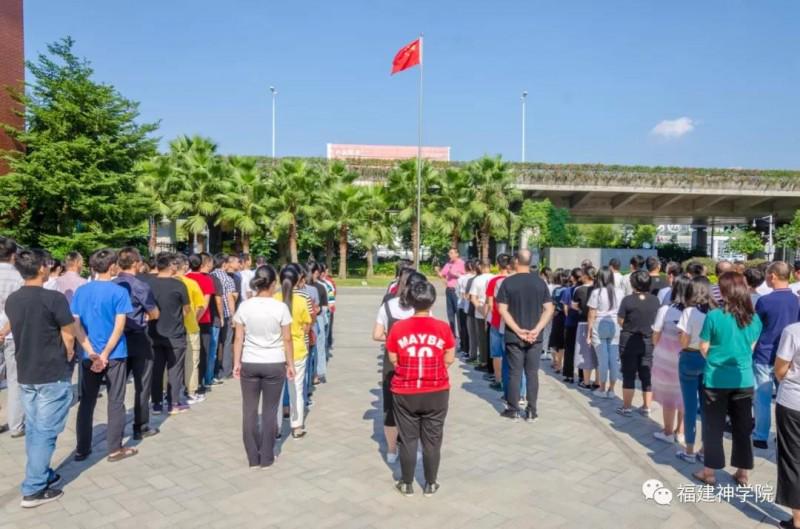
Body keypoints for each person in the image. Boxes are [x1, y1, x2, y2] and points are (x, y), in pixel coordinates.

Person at [3, 250, 82, 507]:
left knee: (36, 428)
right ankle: (34, 488)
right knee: (46, 431)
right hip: (51, 371)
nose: (49, 267)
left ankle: (42, 472)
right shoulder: (54, 298)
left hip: (27, 371)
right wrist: (69, 352)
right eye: (47, 264)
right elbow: (68, 332)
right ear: (40, 269)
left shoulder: (13, 300)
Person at [386, 279, 455, 497]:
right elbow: (450, 357)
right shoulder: (443, 327)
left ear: (410, 301)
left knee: (408, 439)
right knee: (432, 439)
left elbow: (393, 358)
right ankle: (431, 483)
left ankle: (406, 483)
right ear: (432, 301)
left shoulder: (398, 328)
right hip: (437, 390)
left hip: (405, 390)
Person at [693, 272, 762, 486]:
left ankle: (710, 472)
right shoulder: (754, 318)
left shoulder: (714, 316)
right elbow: (750, 348)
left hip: (716, 379)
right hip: (743, 379)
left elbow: (703, 346)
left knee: (713, 426)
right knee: (743, 427)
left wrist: (715, 357)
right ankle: (742, 472)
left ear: (723, 292)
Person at [71, 249, 137, 462]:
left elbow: (76, 325)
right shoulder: (119, 292)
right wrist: (106, 353)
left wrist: (91, 352)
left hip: (88, 355)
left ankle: (82, 448)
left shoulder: (82, 291)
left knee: (87, 401)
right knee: (116, 400)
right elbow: (119, 326)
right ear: (112, 267)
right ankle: (114, 448)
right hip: (115, 353)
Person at [232, 264, 295, 468]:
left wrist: (236, 363)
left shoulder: (245, 306)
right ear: (273, 284)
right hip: (274, 362)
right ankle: (267, 456)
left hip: (249, 361)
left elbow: (238, 337)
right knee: (270, 410)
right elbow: (287, 339)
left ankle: (252, 456)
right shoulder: (280, 307)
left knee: (249, 410)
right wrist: (291, 364)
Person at [496, 249, 555, 422]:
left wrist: (517, 329)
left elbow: (502, 310)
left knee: (514, 373)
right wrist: (537, 329)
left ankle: (513, 409)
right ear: (530, 262)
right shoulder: (540, 283)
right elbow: (549, 309)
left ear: (515, 262)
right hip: (535, 337)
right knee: (532, 373)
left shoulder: (508, 283)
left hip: (514, 336)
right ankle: (531, 410)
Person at [372, 268, 423, 463]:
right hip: (415, 362)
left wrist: (393, 337)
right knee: (413, 407)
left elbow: (376, 335)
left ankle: (391, 451)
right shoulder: (420, 307)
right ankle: (410, 445)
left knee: (390, 407)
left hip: (391, 362)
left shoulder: (387, 305)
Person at [113, 247, 160, 440]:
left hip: (116, 339)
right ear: (136, 263)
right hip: (139, 337)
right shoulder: (140, 286)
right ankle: (140, 426)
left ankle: (115, 428)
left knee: (117, 385)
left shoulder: (112, 284)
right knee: (142, 383)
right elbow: (154, 312)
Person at [752, 261, 800, 449]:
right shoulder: (796, 300)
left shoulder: (764, 301)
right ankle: (782, 435)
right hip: (788, 357)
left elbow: (756, 328)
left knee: (762, 398)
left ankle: (761, 435)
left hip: (764, 354)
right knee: (783, 398)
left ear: (772, 276)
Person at [676, 276, 716, 463]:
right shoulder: (716, 312)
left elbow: (683, 340)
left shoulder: (689, 312)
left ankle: (689, 450)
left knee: (690, 406)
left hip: (690, 356)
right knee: (708, 408)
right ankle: (705, 449)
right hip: (709, 360)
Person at [148, 253, 191, 415]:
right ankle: (173, 403)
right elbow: (187, 309)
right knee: (175, 369)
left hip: (154, 332)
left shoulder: (149, 284)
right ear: (171, 266)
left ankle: (156, 403)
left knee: (156, 369)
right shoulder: (179, 285)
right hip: (175, 333)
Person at [651, 276, 691, 443]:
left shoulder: (666, 310)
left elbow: (656, 334)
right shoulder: (693, 312)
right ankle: (680, 432)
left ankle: (667, 431)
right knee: (683, 394)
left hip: (665, 359)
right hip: (686, 356)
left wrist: (659, 347)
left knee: (668, 396)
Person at [275, 265, 312, 438]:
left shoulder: (274, 299)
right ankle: (296, 426)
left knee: (276, 391)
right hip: (297, 350)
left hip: (276, 351)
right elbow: (307, 326)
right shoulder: (302, 301)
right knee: (296, 389)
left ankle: (275, 428)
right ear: (298, 280)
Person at [616, 270, 660, 417]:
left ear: (633, 283)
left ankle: (627, 407)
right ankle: (647, 406)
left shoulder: (627, 300)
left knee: (628, 373)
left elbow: (621, 320)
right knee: (646, 373)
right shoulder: (655, 300)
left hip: (629, 339)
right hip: (648, 339)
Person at [774, 321, 800, 529]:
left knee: (792, 460)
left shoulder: (793, 331)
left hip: (793, 402)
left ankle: (798, 520)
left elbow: (780, 369)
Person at [586, 266, 624, 399]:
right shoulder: (620, 292)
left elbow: (591, 313)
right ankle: (612, 389)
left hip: (599, 324)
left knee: (603, 359)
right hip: (615, 325)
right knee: (613, 359)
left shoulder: (596, 292)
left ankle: (602, 388)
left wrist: (589, 332)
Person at [175, 254, 207, 405]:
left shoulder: (166, 282)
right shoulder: (192, 283)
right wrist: (195, 318)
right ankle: (191, 391)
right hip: (191, 326)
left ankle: (166, 392)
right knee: (192, 361)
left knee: (170, 362)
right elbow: (201, 306)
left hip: (170, 328)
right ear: (185, 266)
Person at [0, 236, 24, 436]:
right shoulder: (19, 278)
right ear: (13, 255)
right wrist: (6, 329)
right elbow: (19, 309)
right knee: (15, 379)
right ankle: (16, 425)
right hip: (12, 333)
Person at [186, 253, 216, 394]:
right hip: (202, 321)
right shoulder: (206, 280)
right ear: (202, 264)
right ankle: (198, 384)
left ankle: (186, 383)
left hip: (186, 320)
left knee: (188, 354)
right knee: (202, 353)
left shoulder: (184, 278)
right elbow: (204, 304)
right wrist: (197, 319)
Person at [486, 254, 513, 392]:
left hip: (496, 321)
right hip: (512, 323)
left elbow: (490, 304)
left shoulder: (493, 281)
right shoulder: (514, 280)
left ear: (497, 265)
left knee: (496, 353)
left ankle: (498, 380)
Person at [211, 254, 237, 381]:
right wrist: (233, 316)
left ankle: (213, 370)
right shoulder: (228, 279)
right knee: (226, 343)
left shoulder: (211, 276)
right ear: (224, 264)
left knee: (214, 344)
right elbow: (229, 298)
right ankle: (226, 371)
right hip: (226, 314)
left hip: (212, 315)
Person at [573, 267, 597, 390]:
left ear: (586, 276)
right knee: (597, 353)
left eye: (582, 275)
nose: (580, 277)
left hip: (583, 323)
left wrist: (582, 310)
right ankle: (598, 382)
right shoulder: (599, 289)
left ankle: (586, 382)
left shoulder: (579, 290)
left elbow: (574, 306)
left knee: (584, 353)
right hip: (597, 323)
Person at [469, 260, 494, 371]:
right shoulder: (495, 278)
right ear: (490, 266)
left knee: (482, 338)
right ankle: (492, 362)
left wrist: (480, 310)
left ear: (480, 267)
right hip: (493, 312)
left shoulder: (477, 279)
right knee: (492, 338)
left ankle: (483, 361)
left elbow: (473, 298)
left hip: (480, 311)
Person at [561, 268, 583, 384]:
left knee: (569, 350)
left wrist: (568, 316)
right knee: (581, 351)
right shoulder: (585, 290)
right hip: (582, 323)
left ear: (572, 278)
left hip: (570, 323)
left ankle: (569, 375)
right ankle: (582, 376)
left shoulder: (568, 291)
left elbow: (565, 308)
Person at [436, 248, 465, 337]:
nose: (450, 255)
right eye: (449, 253)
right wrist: (437, 270)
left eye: (452, 253)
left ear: (457, 254)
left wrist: (455, 274)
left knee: (459, 314)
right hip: (449, 290)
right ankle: (452, 334)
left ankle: (462, 336)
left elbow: (465, 276)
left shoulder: (462, 263)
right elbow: (442, 275)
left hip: (457, 291)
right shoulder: (448, 264)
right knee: (450, 313)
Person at [549, 270, 569, 374]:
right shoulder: (570, 290)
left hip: (557, 317)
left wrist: (550, 316)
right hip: (568, 317)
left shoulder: (557, 290)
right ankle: (560, 363)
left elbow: (553, 304)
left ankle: (556, 362)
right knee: (563, 343)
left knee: (555, 341)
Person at [455, 261, 476, 357]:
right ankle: (473, 350)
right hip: (475, 307)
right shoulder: (476, 278)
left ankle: (465, 348)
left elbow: (459, 293)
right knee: (473, 330)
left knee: (463, 328)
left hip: (463, 306)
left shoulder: (462, 279)